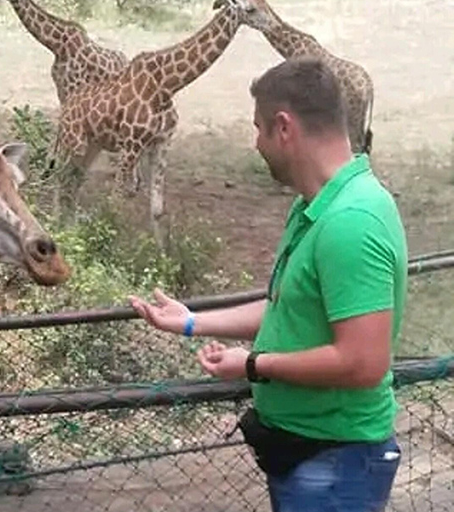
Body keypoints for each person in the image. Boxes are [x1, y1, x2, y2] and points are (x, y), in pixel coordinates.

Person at [130, 57, 408, 512]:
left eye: (258, 128)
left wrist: (255, 365)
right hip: (313, 457)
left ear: (284, 127)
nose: (256, 143)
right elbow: (290, 306)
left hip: (335, 461)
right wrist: (191, 322)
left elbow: (363, 362)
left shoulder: (351, 222)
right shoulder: (315, 207)